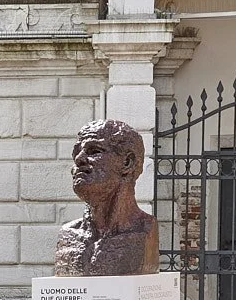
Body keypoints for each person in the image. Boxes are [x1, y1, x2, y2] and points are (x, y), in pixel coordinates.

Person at [54, 118, 159, 276]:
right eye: (76, 152)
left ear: (127, 163)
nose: (79, 159)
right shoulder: (69, 234)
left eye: (94, 151)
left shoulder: (144, 231)